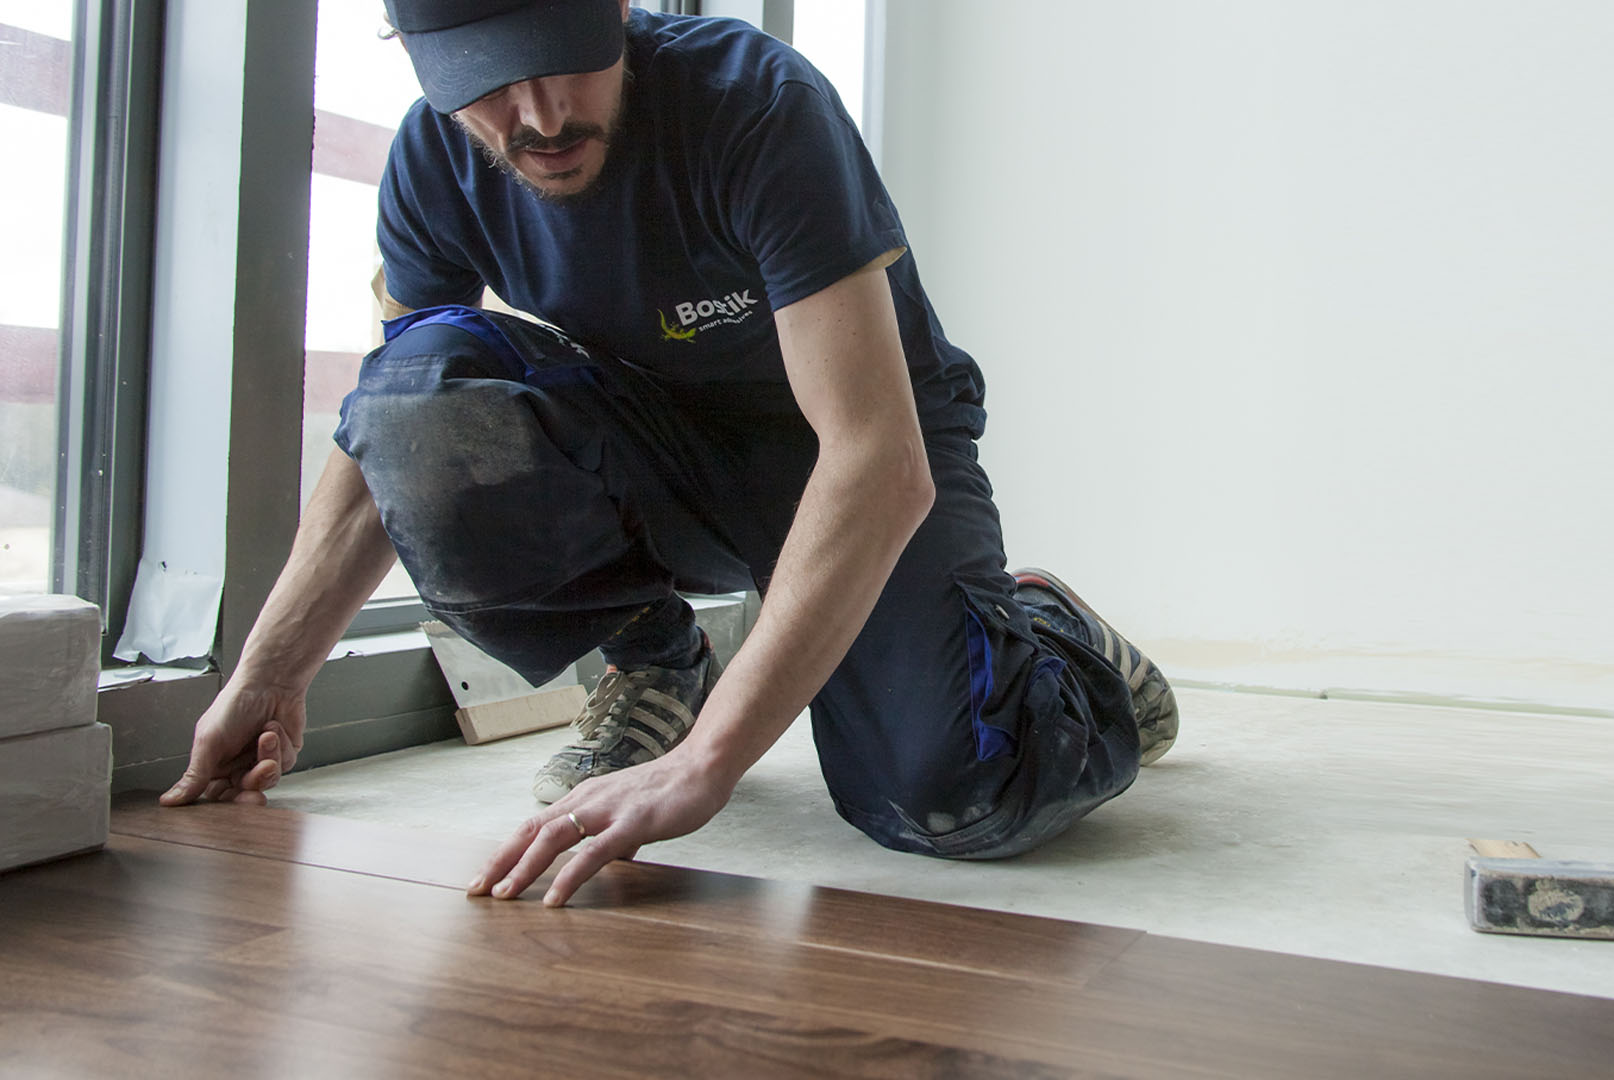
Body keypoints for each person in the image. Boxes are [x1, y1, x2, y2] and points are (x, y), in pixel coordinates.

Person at [159, 0, 1177, 908]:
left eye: (564, 56)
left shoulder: (755, 103)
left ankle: (1053, 639)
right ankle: (656, 662)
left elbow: (875, 455)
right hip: (663, 454)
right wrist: (269, 673)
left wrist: (707, 770)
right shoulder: (435, 161)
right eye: (490, 81)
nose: (542, 116)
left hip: (856, 454)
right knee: (418, 386)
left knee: (955, 800)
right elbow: (382, 433)